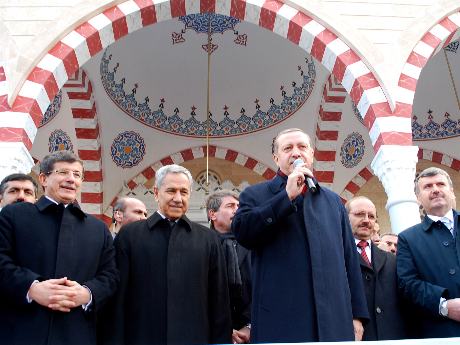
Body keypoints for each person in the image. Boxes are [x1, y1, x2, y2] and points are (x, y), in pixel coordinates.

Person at [232, 128, 368, 343]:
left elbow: (350, 260)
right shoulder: (256, 195)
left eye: (302, 147)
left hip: (333, 319)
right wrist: (285, 197)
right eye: (288, 148)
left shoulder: (332, 202)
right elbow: (243, 233)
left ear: (311, 154)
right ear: (277, 158)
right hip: (281, 319)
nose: (296, 153)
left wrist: (358, 316)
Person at [105, 164, 232, 345]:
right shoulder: (130, 236)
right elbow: (117, 300)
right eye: (171, 191)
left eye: (184, 192)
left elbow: (219, 302)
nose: (178, 198)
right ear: (156, 193)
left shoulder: (208, 239)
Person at [0, 150, 118, 345]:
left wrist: (87, 293)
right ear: (43, 179)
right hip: (19, 330)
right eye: (63, 172)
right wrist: (32, 288)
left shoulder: (98, 229)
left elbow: (110, 275)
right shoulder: (14, 215)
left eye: (77, 175)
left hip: (76, 333)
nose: (71, 179)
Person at [397, 166, 460, 337]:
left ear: (452, 191)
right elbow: (407, 284)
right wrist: (444, 306)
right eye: (428, 186)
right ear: (418, 198)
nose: (435, 190)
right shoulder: (408, 239)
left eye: (440, 184)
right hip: (441, 332)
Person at [346, 196, 407, 340]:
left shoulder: (391, 260)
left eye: (371, 216)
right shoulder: (335, 256)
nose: (366, 220)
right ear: (344, 217)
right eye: (360, 214)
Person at [206, 190, 251, 344]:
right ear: (213, 214)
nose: (237, 210)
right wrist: (224, 329)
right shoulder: (201, 246)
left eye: (239, 206)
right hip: (211, 333)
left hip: (251, 334)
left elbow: (263, 289)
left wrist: (249, 327)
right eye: (231, 206)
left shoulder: (253, 245)